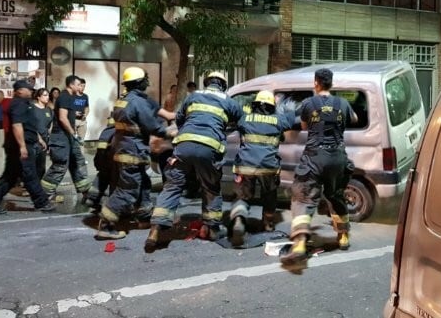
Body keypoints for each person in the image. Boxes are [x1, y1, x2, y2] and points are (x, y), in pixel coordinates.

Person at [144, 71, 243, 252]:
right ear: (223, 85)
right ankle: (212, 229)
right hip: (209, 149)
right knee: (210, 187)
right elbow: (242, 123)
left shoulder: (194, 96)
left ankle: (155, 230)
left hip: (183, 146)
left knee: (172, 186)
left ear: (207, 83)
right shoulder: (229, 101)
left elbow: (180, 119)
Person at [280, 68, 357, 266]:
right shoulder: (342, 103)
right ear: (331, 83)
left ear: (316, 83)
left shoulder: (308, 104)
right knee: (336, 195)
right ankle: (343, 237)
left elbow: (304, 127)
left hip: (314, 157)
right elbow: (354, 119)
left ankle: (299, 244)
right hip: (337, 158)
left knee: (303, 197)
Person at [95, 67, 176, 239]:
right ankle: (106, 224)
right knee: (128, 189)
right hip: (133, 151)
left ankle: (144, 217)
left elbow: (156, 110)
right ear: (141, 82)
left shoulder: (125, 99)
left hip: (124, 148)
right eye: (145, 80)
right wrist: (169, 133)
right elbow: (152, 125)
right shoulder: (138, 103)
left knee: (143, 184)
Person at [229, 90, 293, 246]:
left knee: (242, 196)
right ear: (272, 106)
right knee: (269, 196)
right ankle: (268, 224)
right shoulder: (278, 120)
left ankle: (239, 219)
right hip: (268, 167)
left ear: (255, 104)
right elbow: (292, 120)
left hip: (245, 166)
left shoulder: (244, 119)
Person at [0, 79, 55, 214]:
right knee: (30, 174)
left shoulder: (25, 104)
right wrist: (22, 146)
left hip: (22, 144)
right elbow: (17, 125)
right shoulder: (18, 104)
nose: (30, 91)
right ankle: (42, 202)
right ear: (20, 91)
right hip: (20, 146)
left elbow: (29, 125)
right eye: (28, 89)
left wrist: (38, 139)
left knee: (9, 176)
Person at [41, 75, 93, 201]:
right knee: (60, 165)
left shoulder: (71, 97)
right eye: (78, 84)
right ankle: (45, 194)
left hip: (68, 136)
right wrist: (73, 133)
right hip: (61, 137)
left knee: (77, 161)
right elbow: (62, 118)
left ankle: (86, 191)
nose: (80, 87)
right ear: (71, 85)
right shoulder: (64, 96)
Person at [82, 115, 116, 212]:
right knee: (115, 180)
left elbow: (100, 151)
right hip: (112, 162)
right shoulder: (118, 132)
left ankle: (92, 198)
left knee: (102, 177)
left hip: (101, 161)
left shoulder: (105, 131)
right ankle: (114, 207)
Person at [33, 88, 53, 179]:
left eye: (48, 95)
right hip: (34, 139)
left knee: (41, 166)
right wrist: (40, 139)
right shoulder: (32, 108)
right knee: (32, 165)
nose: (47, 97)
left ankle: (39, 187)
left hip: (44, 140)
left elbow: (49, 126)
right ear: (38, 97)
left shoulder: (49, 110)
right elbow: (30, 125)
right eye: (45, 95)